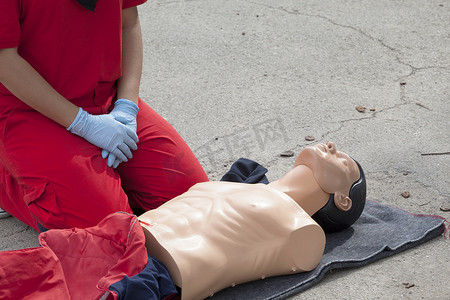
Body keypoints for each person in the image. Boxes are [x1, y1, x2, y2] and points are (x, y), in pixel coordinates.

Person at [0, 0, 208, 231]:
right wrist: (83, 124)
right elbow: (3, 60)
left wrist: (127, 105)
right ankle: (13, 179)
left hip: (107, 98)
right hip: (30, 111)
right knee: (107, 232)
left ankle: (99, 183)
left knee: (195, 203)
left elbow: (128, 23)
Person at [139, 142, 367, 300]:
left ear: (343, 200)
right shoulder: (241, 184)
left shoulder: (304, 233)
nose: (331, 147)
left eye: (344, 163)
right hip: (127, 230)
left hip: (153, 273)